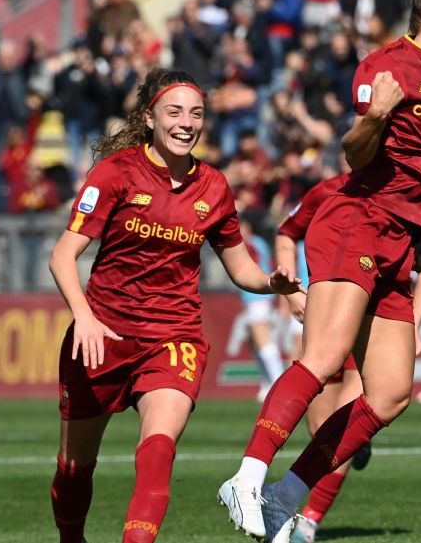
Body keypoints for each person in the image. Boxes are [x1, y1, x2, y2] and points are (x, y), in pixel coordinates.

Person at [218, 0, 421, 540]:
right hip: (357, 221)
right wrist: (374, 118)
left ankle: (287, 497)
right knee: (321, 360)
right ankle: (246, 475)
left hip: (400, 237)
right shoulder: (384, 68)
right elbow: (355, 153)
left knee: (390, 394)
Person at [48, 67, 301, 543]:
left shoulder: (214, 187)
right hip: (102, 337)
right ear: (150, 118)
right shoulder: (116, 173)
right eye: (174, 111)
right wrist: (83, 316)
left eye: (196, 113)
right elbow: (63, 255)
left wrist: (275, 282)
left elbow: (242, 269)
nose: (186, 122)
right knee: (73, 472)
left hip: (173, 335)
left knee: (159, 448)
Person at [273, 172, 421, 543]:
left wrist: (414, 324)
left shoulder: (409, 195)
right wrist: (290, 293)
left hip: (371, 323)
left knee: (346, 427)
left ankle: (309, 521)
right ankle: (356, 442)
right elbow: (287, 232)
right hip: (325, 318)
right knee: (321, 432)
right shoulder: (330, 189)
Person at [239, 217, 287, 402]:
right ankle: (267, 383)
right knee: (254, 340)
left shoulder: (252, 244)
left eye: (241, 226)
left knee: (264, 341)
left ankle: (277, 384)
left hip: (258, 298)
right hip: (253, 298)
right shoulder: (256, 244)